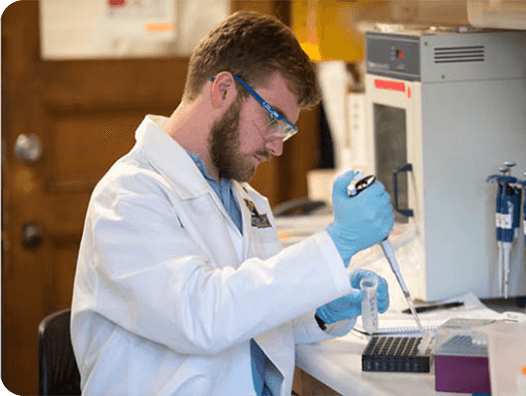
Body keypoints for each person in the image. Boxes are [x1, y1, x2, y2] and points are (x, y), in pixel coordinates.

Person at [70, 11, 395, 396]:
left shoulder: (245, 200)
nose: (277, 145)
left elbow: (248, 312)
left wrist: (318, 310)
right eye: (273, 119)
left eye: (286, 131)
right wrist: (334, 244)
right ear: (223, 89)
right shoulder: (128, 198)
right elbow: (202, 315)